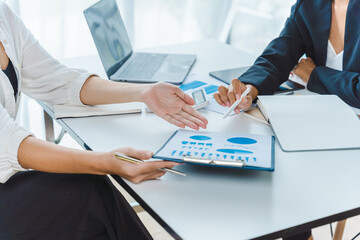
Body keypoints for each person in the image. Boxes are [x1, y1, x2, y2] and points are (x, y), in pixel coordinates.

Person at [0, 2, 208, 239]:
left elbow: (59, 81)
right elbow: (10, 145)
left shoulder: (4, 15)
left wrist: (143, 93)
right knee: (91, 195)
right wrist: (107, 161)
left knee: (92, 195)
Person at [214, 0, 356, 239]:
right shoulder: (311, 4)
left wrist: (315, 75)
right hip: (324, 120)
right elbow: (279, 55)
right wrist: (250, 88)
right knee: (270, 165)